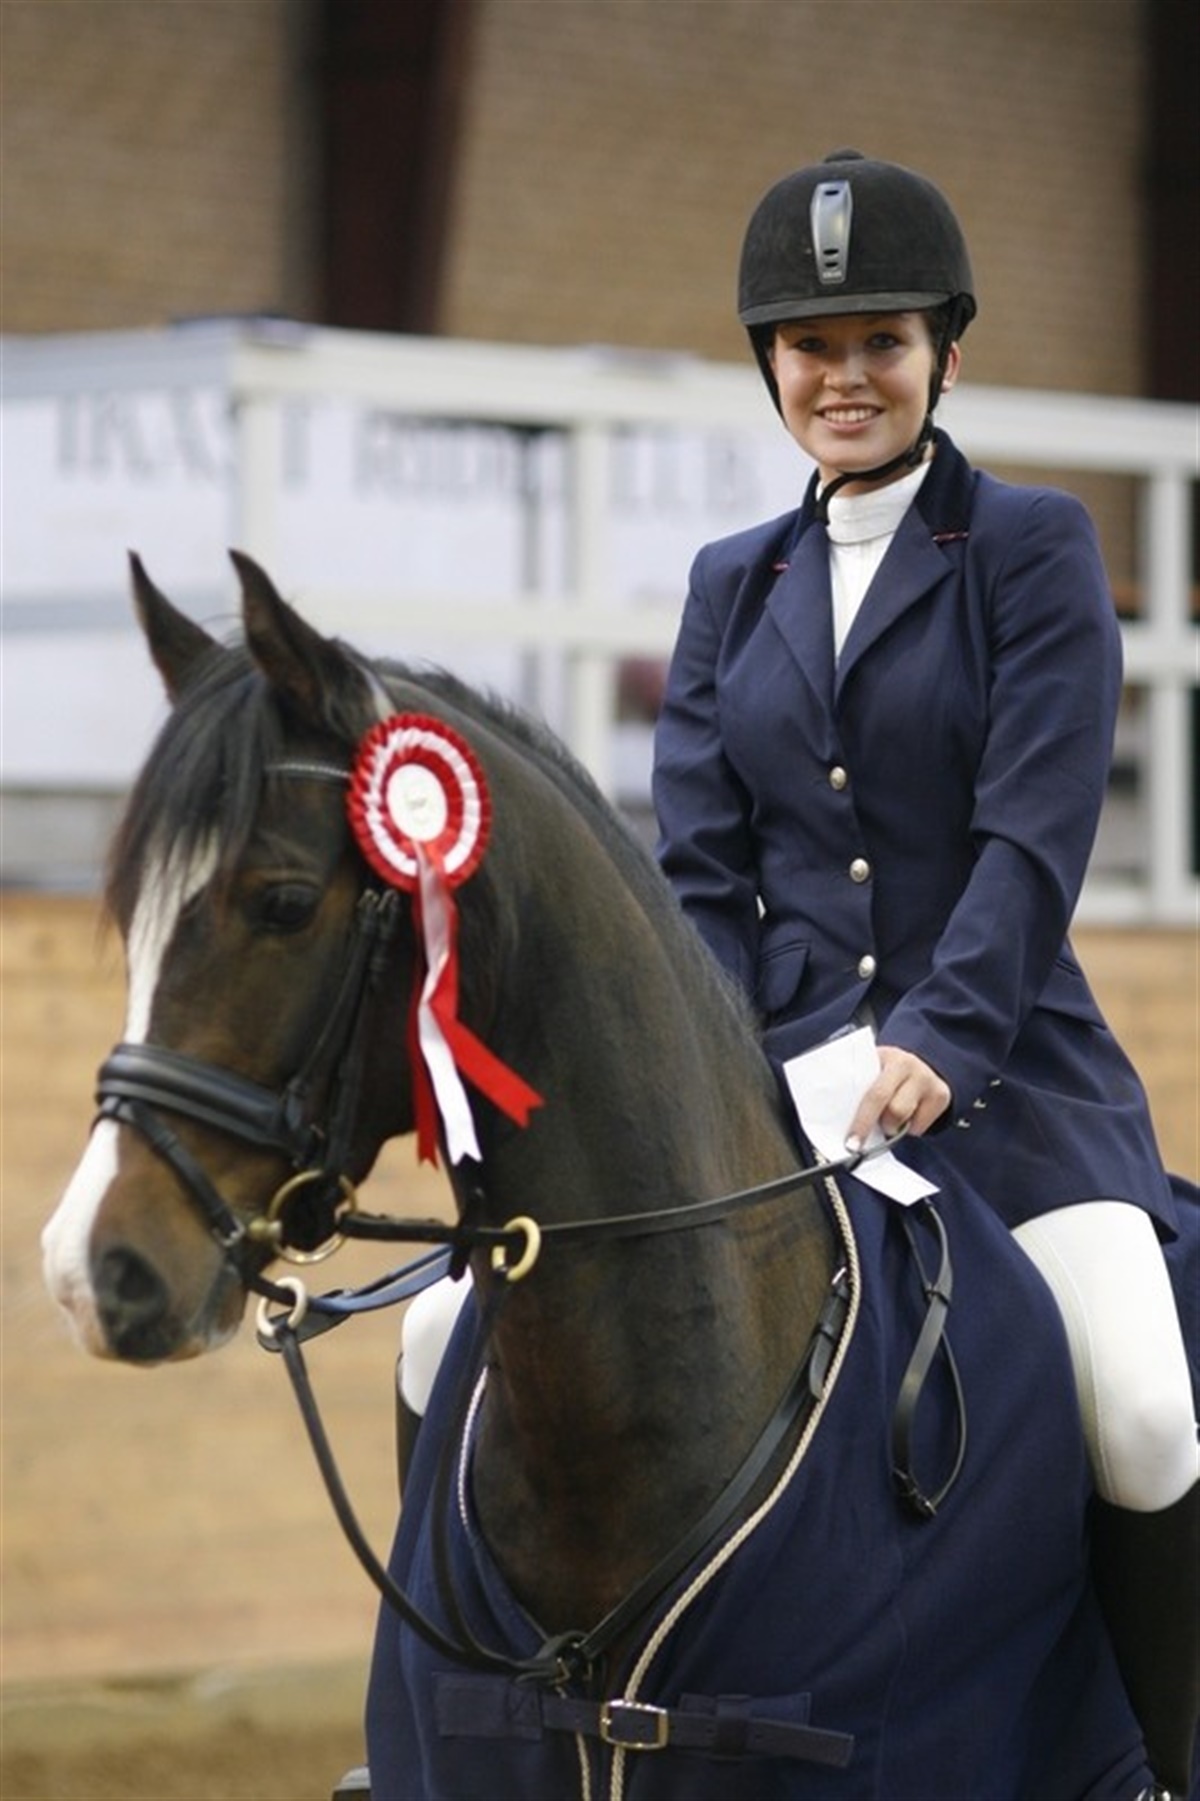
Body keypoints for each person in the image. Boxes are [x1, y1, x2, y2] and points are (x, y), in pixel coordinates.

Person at [651, 148, 1199, 1796]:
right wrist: (730, 1077)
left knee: (1142, 1409)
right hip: (784, 1090)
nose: (846, 377)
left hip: (1013, 1084)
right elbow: (701, 876)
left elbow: (1035, 838)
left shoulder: (1030, 546)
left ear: (944, 352)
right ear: (770, 365)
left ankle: (1169, 1764)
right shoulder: (727, 584)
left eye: (880, 342)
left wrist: (942, 1037)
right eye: (811, 347)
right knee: (459, 1334)